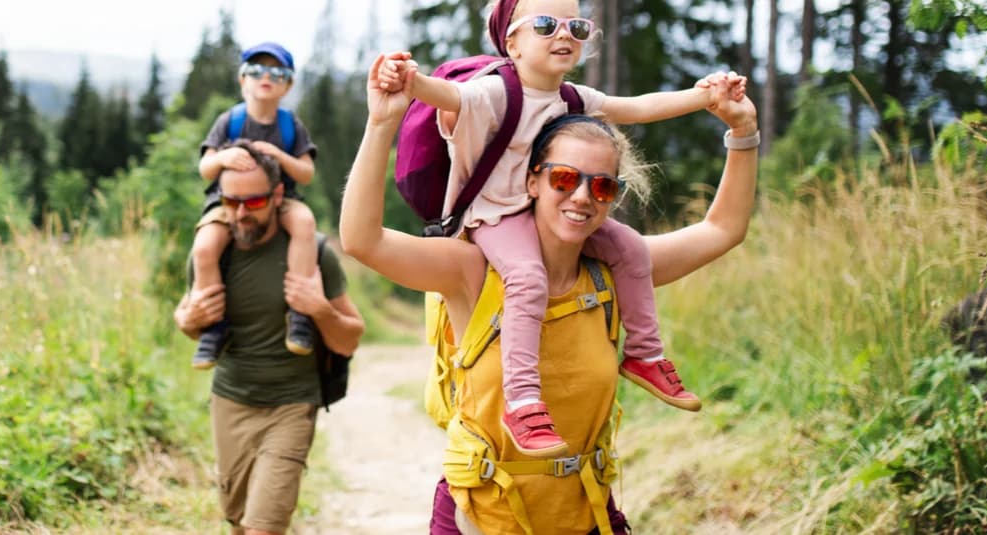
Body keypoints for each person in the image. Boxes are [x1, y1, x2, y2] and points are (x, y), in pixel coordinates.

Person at [342, 50, 758, 534]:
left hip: (587, 517)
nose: (582, 196)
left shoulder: (617, 274)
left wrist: (743, 133)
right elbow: (362, 240)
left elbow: (723, 229)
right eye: (564, 179)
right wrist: (380, 124)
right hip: (481, 518)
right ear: (532, 181)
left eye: (602, 187)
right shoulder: (474, 271)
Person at [374, 0, 747, 457]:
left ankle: (644, 355)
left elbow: (638, 108)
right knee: (527, 277)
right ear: (511, 41)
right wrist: (407, 80)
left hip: (541, 212)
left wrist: (705, 96)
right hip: (496, 217)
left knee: (629, 248)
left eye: (577, 26)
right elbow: (446, 97)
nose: (564, 34)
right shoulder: (494, 93)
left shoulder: (572, 99)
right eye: (547, 25)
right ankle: (524, 401)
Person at [174, 139, 365, 535]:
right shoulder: (213, 253)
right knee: (238, 520)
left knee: (264, 526)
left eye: (255, 203)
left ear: (278, 195)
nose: (241, 214)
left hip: (291, 405)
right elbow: (193, 325)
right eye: (230, 202)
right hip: (230, 401)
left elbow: (350, 338)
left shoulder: (314, 254)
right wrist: (188, 319)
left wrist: (319, 308)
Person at [190, 42, 323, 370]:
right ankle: (213, 325)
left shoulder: (290, 125)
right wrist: (222, 157)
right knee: (205, 248)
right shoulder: (230, 121)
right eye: (256, 71)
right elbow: (205, 168)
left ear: (288, 85)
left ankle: (300, 313)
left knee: (305, 224)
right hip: (230, 202)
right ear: (242, 80)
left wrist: (279, 156)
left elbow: (306, 173)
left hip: (282, 199)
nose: (267, 77)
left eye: (277, 73)